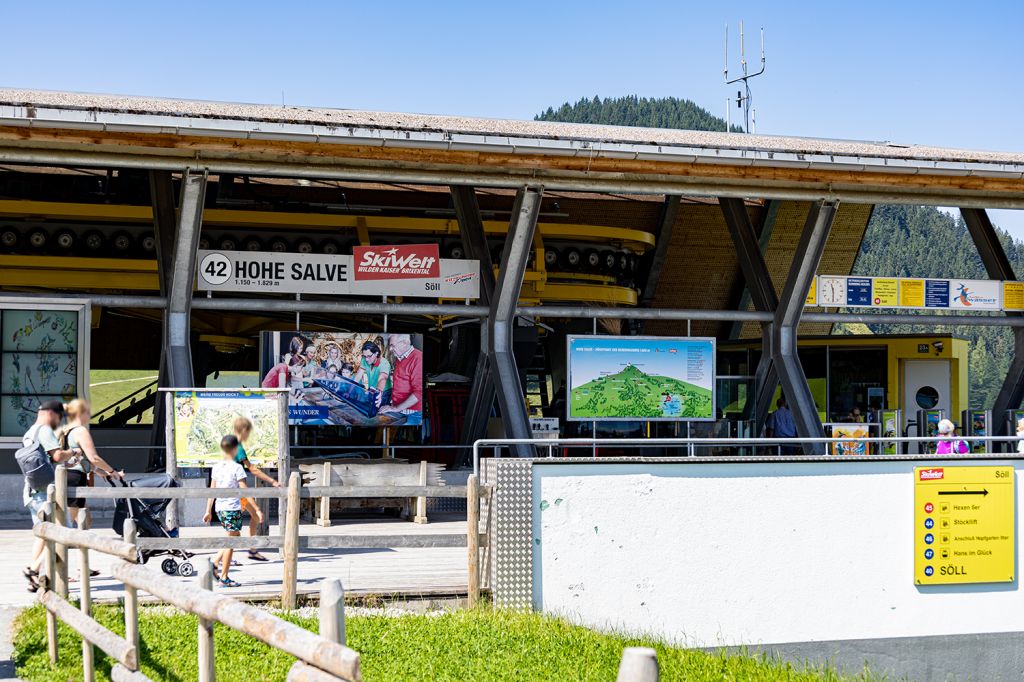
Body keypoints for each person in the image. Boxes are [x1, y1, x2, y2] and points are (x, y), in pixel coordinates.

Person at [21, 400, 81, 592]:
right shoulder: (45, 430)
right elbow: (56, 456)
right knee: (61, 534)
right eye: (59, 417)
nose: (59, 421)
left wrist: (69, 463)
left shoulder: (30, 432)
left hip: (31, 491)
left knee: (42, 535)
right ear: (51, 414)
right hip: (46, 493)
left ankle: (34, 575)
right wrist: (72, 451)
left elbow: (46, 462)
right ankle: (34, 569)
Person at [59, 399, 125, 532]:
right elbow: (94, 458)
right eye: (88, 412)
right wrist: (112, 471)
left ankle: (76, 546)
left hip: (65, 477)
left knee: (85, 519)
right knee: (67, 523)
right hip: (75, 478)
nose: (89, 416)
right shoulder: (80, 431)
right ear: (81, 413)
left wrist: (99, 471)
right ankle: (61, 548)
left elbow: (80, 459)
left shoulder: (66, 431)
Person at [203, 435, 259, 588]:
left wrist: (208, 511)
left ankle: (215, 564)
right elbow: (244, 491)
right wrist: (256, 509)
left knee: (234, 535)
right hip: (232, 508)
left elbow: (211, 491)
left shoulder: (216, 467)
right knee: (231, 542)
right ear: (235, 449)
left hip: (219, 508)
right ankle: (223, 577)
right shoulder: (237, 468)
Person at [232, 416, 281, 562]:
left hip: (235, 490)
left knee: (251, 516)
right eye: (248, 432)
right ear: (243, 431)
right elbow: (252, 469)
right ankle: (223, 557)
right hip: (238, 489)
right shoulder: (238, 448)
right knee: (234, 527)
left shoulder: (229, 443)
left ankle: (251, 549)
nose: (249, 436)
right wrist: (272, 481)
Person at [379, 334, 422, 417]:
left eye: (392, 345)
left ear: (404, 343)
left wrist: (395, 408)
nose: (390, 349)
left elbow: (419, 393)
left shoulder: (418, 358)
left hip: (412, 413)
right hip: (398, 409)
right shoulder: (400, 358)